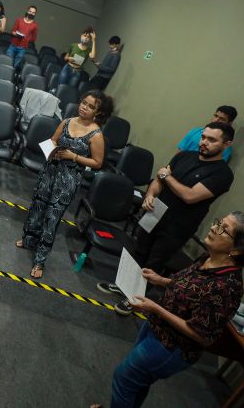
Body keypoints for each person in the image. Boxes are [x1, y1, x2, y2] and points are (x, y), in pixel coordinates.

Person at [90, 212, 244, 408]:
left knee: (124, 378)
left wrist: (156, 308)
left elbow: (202, 335)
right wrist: (161, 281)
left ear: (237, 250)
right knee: (137, 382)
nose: (214, 227)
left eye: (224, 229)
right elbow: (191, 289)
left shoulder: (227, 287)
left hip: (170, 347)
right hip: (156, 328)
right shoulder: (210, 258)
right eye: (219, 222)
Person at [98, 122, 236, 315]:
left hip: (178, 225)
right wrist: (150, 195)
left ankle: (135, 299)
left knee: (155, 261)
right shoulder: (184, 156)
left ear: (226, 144)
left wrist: (166, 176)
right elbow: (157, 181)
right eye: (203, 137)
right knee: (139, 251)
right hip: (155, 213)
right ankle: (123, 285)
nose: (204, 142)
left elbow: (189, 196)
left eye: (211, 140)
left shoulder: (222, 174)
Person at [16, 90, 112, 279]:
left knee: (52, 218)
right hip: (50, 170)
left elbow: (98, 163)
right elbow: (53, 139)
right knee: (37, 207)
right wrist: (51, 149)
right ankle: (28, 239)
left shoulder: (96, 134)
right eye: (84, 102)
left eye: (91, 106)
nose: (84, 107)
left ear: (98, 113)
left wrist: (74, 156)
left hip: (68, 179)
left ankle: (40, 260)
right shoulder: (67, 122)